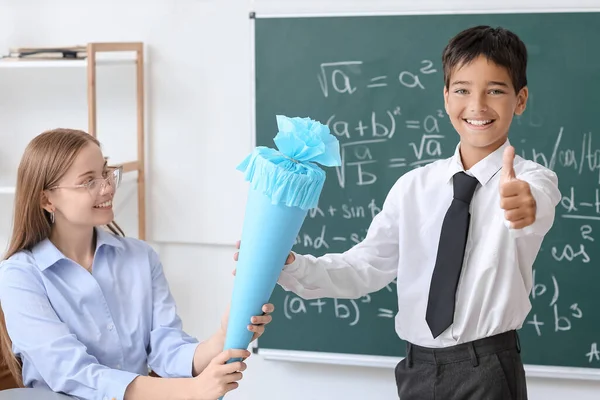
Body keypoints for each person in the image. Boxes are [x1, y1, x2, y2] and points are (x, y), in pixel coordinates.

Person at [235, 26, 561, 399]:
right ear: (445, 97)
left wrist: (524, 207)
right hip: (416, 370)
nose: (477, 105)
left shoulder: (531, 180)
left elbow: (534, 209)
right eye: (462, 89)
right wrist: (289, 264)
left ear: (520, 100)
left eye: (495, 90)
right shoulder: (413, 187)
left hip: (486, 367)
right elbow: (365, 267)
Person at [0, 128, 273, 400]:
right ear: (47, 199)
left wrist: (224, 337)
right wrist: (191, 390)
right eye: (88, 181)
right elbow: (71, 372)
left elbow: (166, 349)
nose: (107, 187)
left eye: (105, 172)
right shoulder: (20, 275)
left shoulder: (140, 257)